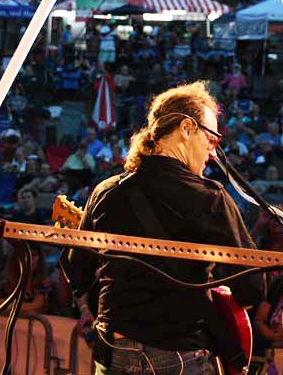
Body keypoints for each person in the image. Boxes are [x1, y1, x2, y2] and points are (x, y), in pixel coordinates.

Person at [61, 81, 264, 375]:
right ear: (186, 128)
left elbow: (76, 267)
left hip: (113, 354)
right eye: (212, 138)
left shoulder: (106, 191)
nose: (214, 151)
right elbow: (252, 289)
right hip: (181, 356)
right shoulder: (210, 199)